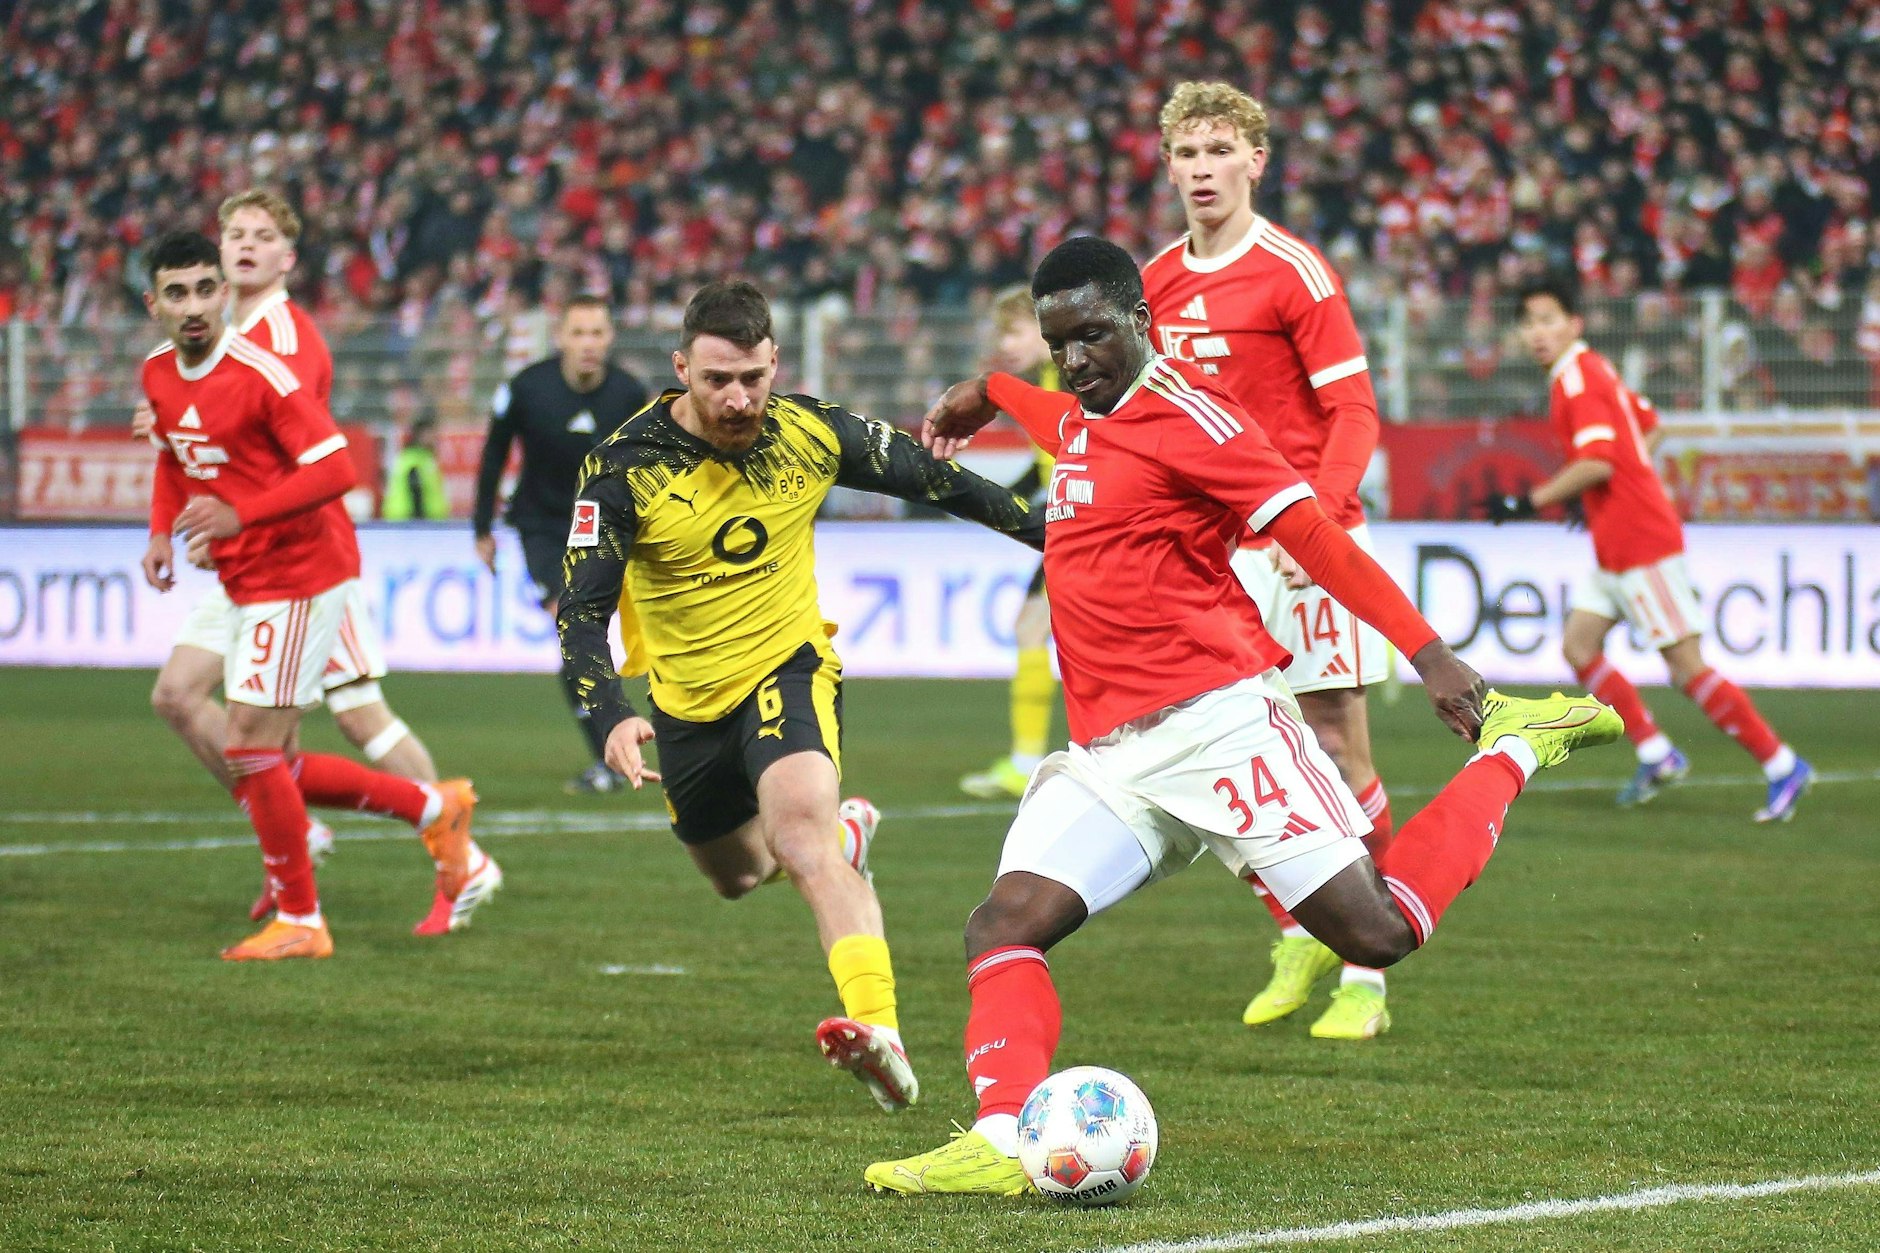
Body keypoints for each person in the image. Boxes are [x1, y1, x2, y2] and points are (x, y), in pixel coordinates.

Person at [862, 236, 1620, 1195]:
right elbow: (1055, 412)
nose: (1078, 360)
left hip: (1222, 726)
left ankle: (1514, 747)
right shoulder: (1082, 415)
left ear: (1141, 321)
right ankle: (1001, 1136)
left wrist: (1430, 655)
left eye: (1094, 335)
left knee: (1377, 933)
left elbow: (1316, 536)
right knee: (1003, 924)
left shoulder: (1201, 422)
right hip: (1112, 756)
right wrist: (988, 389)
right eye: (1060, 344)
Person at [557, 280, 1045, 1112]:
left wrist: (1057, 534)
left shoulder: (810, 431)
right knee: (740, 874)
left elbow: (939, 481)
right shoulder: (622, 468)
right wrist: (609, 714)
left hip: (789, 669)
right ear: (681, 370)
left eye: (753, 375)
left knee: (798, 832)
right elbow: (580, 611)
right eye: (717, 380)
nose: (740, 397)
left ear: (775, 361)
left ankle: (880, 1029)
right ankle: (845, 839)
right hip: (682, 703)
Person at [133, 190, 493, 936]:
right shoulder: (188, 353)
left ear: (284, 258)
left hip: (301, 558)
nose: (244, 244)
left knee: (345, 719)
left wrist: (229, 503)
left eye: (263, 236)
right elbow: (192, 440)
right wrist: (173, 507)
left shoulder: (282, 344)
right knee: (185, 700)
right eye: (234, 231)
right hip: (244, 564)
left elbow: (309, 460)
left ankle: (452, 847)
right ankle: (294, 843)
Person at [1141, 82, 1398, 1039]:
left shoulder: (1295, 271)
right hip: (1211, 552)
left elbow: (1355, 412)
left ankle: (1370, 974)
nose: (1201, 169)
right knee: (1209, 755)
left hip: (1303, 539)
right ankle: (1297, 923)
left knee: (1336, 746)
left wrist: (1315, 525)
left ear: (1257, 160)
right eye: (1186, 153)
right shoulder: (1155, 282)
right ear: (1168, 165)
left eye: (1219, 151)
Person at [1488, 276, 1812, 820]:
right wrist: (1592, 493)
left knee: (1686, 667)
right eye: (1528, 322)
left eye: (1547, 320)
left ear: (1574, 324)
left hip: (1641, 542)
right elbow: (1648, 428)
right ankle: (1657, 753)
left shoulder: (1576, 381)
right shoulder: (1593, 370)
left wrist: (1531, 500)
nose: (1536, 332)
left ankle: (1782, 764)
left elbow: (1599, 460)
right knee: (1579, 647)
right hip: (1615, 543)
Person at [475, 294, 650, 793]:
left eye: (597, 333)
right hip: (545, 529)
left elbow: (652, 464)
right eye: (578, 333)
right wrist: (482, 530)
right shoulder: (528, 388)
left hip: (610, 527)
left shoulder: (628, 393)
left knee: (598, 643)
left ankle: (627, 750)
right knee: (570, 622)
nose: (588, 344)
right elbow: (493, 454)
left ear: (610, 338)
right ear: (560, 338)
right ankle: (609, 754)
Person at [958, 286, 1063, 800]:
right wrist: (994, 498)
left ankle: (1032, 761)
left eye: (1014, 331)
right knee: (1030, 629)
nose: (1006, 343)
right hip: (1068, 527)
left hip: (1087, 528)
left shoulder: (1067, 376)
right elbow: (1046, 469)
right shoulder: (1049, 378)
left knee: (1033, 629)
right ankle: (1028, 760)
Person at [381, 413, 449, 520]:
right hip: (409, 521)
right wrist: (419, 520)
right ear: (421, 435)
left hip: (407, 520)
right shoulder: (415, 459)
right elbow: (415, 489)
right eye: (431, 433)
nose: (434, 437)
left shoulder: (414, 457)